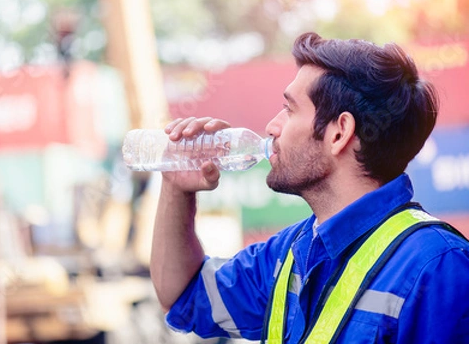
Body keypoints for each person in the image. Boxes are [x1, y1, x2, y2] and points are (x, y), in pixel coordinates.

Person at [150, 32, 469, 343]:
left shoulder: (438, 266)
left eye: (289, 109)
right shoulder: (291, 251)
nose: (272, 127)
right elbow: (182, 294)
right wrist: (176, 188)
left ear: (339, 133)